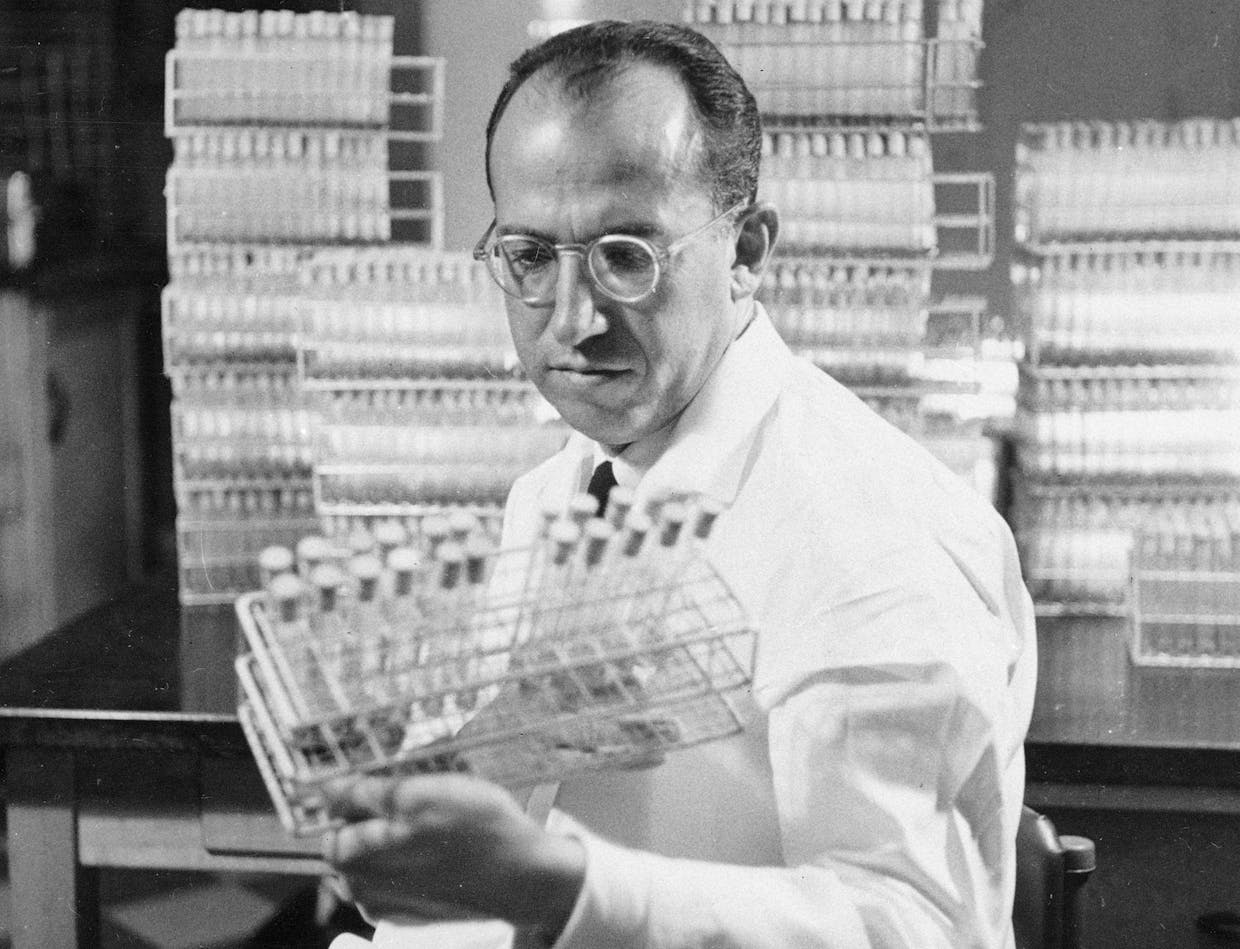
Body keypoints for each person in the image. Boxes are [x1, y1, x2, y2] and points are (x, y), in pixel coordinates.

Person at [321, 19, 1036, 949]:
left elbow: (915, 928)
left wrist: (560, 889)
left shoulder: (868, 530)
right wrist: (459, 786)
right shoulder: (567, 490)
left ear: (746, 253)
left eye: (627, 254)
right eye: (531, 257)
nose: (573, 323)